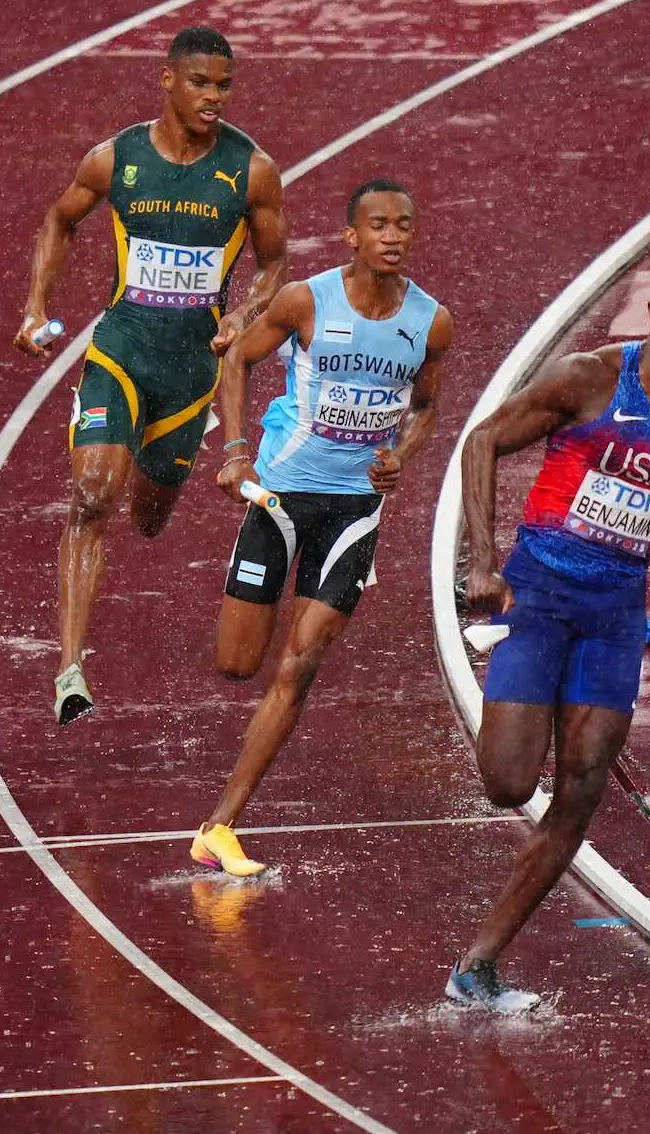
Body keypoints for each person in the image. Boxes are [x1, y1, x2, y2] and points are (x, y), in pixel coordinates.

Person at [450, 260, 650, 1013]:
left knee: (582, 788)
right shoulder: (589, 379)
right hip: (540, 593)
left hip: (613, 617)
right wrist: (480, 563)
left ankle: (479, 963)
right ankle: (531, 693)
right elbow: (482, 441)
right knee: (509, 783)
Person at [14, 27, 289, 725]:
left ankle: (153, 460)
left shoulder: (251, 170)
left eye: (224, 85)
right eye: (201, 83)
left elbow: (274, 263)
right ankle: (70, 670)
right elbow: (60, 219)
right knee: (91, 496)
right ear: (167, 80)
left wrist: (243, 314)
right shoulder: (116, 159)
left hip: (192, 374)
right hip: (121, 351)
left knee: (149, 517)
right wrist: (36, 305)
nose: (214, 97)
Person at [187, 178, 454, 876]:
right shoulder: (305, 301)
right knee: (237, 664)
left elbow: (426, 406)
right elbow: (237, 359)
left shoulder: (431, 322)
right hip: (280, 495)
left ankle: (220, 825)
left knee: (300, 664)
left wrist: (401, 455)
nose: (392, 236)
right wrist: (235, 451)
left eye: (403, 224)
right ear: (351, 236)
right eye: (378, 225)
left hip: (354, 509)